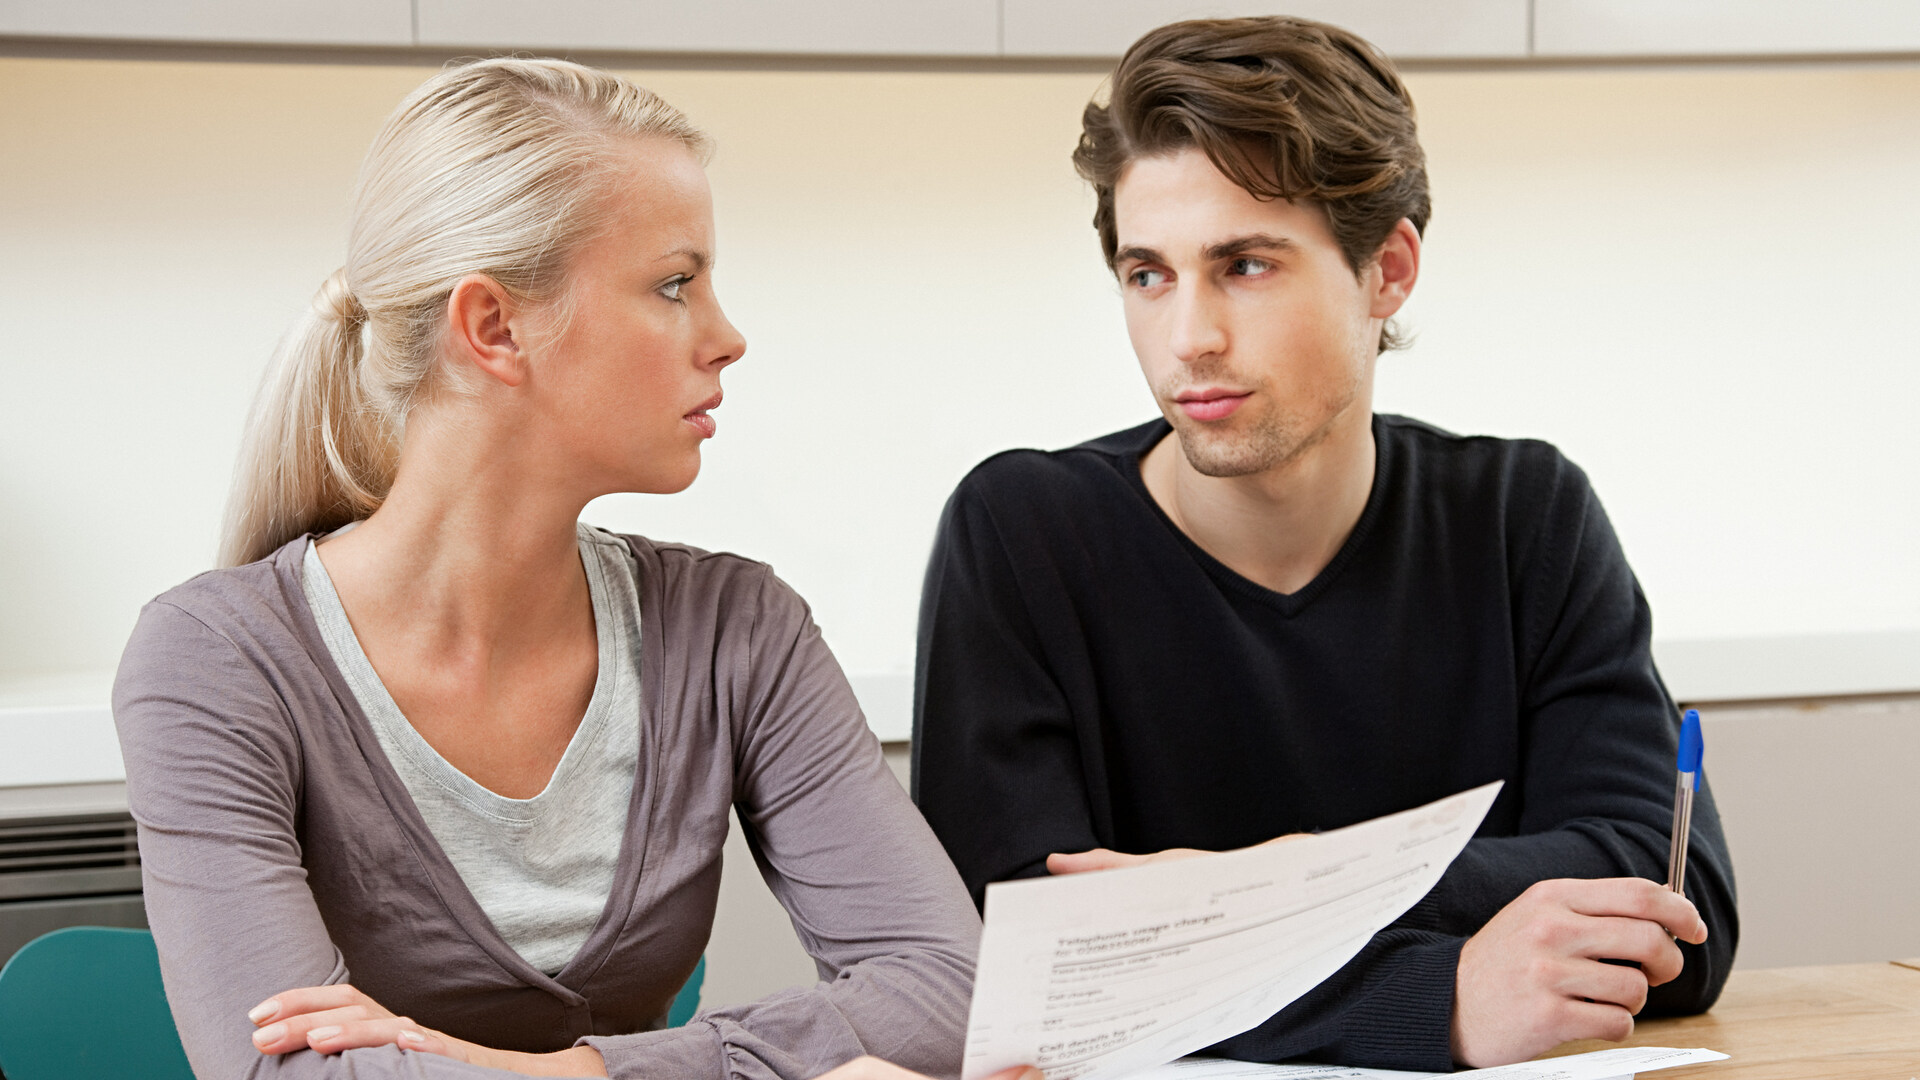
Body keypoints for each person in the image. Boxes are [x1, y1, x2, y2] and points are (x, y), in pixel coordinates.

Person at [113, 58, 1005, 1080]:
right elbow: (291, 1074)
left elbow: (952, 993)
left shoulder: (737, 628)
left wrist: (559, 1071)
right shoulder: (216, 661)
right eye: (675, 283)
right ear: (495, 327)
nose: (728, 337)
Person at [911, 16, 1736, 1073]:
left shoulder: (1524, 514)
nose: (1188, 337)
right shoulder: (1022, 532)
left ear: (1387, 270)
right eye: (1147, 274)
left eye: (1244, 265)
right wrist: (1437, 1000)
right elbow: (1019, 978)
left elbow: (1673, 906)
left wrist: (1259, 891)